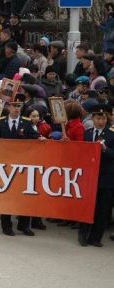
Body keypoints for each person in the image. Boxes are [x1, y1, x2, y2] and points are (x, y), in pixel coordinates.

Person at [0, 95, 42, 236]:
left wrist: (41, 138)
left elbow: (34, 136)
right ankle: (6, 224)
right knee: (6, 195)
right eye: (14, 106)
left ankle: (24, 225)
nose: (16, 109)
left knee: (25, 195)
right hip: (6, 165)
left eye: (19, 106)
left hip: (23, 165)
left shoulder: (26, 122)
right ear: (8, 107)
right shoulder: (0, 122)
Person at [79, 104, 114, 247]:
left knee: (102, 208)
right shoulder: (87, 133)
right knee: (87, 207)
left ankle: (96, 237)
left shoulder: (112, 134)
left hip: (106, 177)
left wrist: (105, 149)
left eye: (103, 118)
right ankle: (83, 235)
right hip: (89, 177)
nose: (101, 121)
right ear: (92, 118)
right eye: (98, 118)